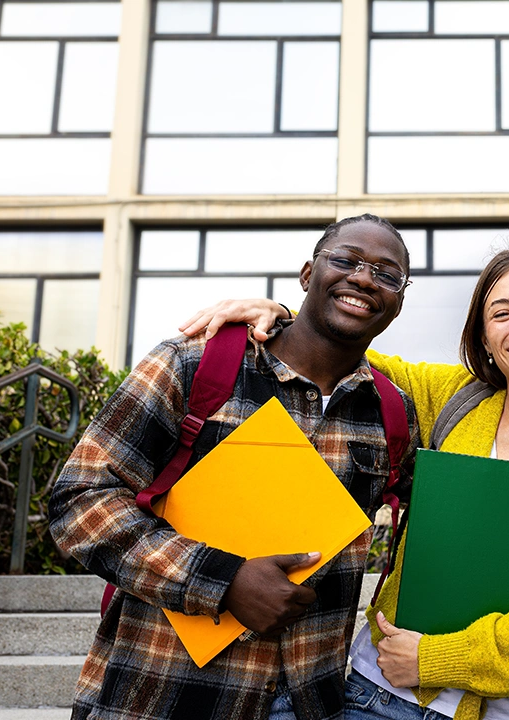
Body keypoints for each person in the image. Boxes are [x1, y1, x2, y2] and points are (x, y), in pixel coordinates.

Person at [180, 249, 509, 720]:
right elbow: (339, 352)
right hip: (374, 695)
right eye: (500, 313)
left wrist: (433, 660)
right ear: (484, 339)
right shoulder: (454, 398)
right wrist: (282, 316)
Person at [49, 214, 420, 720]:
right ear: (308, 274)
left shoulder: (392, 412)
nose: (363, 278)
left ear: (398, 301)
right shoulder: (193, 364)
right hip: (165, 690)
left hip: (312, 700)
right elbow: (79, 500)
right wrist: (223, 581)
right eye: (346, 260)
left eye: (386, 273)